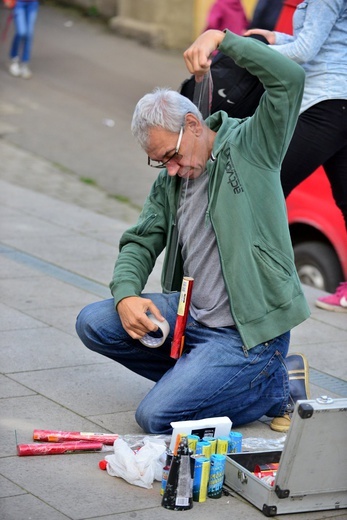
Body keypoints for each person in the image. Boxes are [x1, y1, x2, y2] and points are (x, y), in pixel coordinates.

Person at [76, 29, 311, 435]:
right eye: (158, 161)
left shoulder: (254, 144)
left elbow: (289, 78)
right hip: (190, 321)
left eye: (170, 155)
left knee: (155, 417)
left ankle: (272, 386)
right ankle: (202, 379)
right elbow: (140, 241)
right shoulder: (172, 182)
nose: (170, 168)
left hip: (247, 336)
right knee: (93, 322)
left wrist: (222, 38)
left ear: (193, 124)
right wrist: (127, 295)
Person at [245, 0, 347, 313]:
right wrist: (274, 37)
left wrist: (238, 48)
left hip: (325, 104)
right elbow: (323, 42)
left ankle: (259, 286)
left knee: (267, 185)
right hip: (339, 101)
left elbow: (304, 53)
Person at [8, 0, 39, 79]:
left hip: (32, 4)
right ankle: (14, 59)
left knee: (29, 34)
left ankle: (25, 63)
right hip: (19, 3)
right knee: (21, 32)